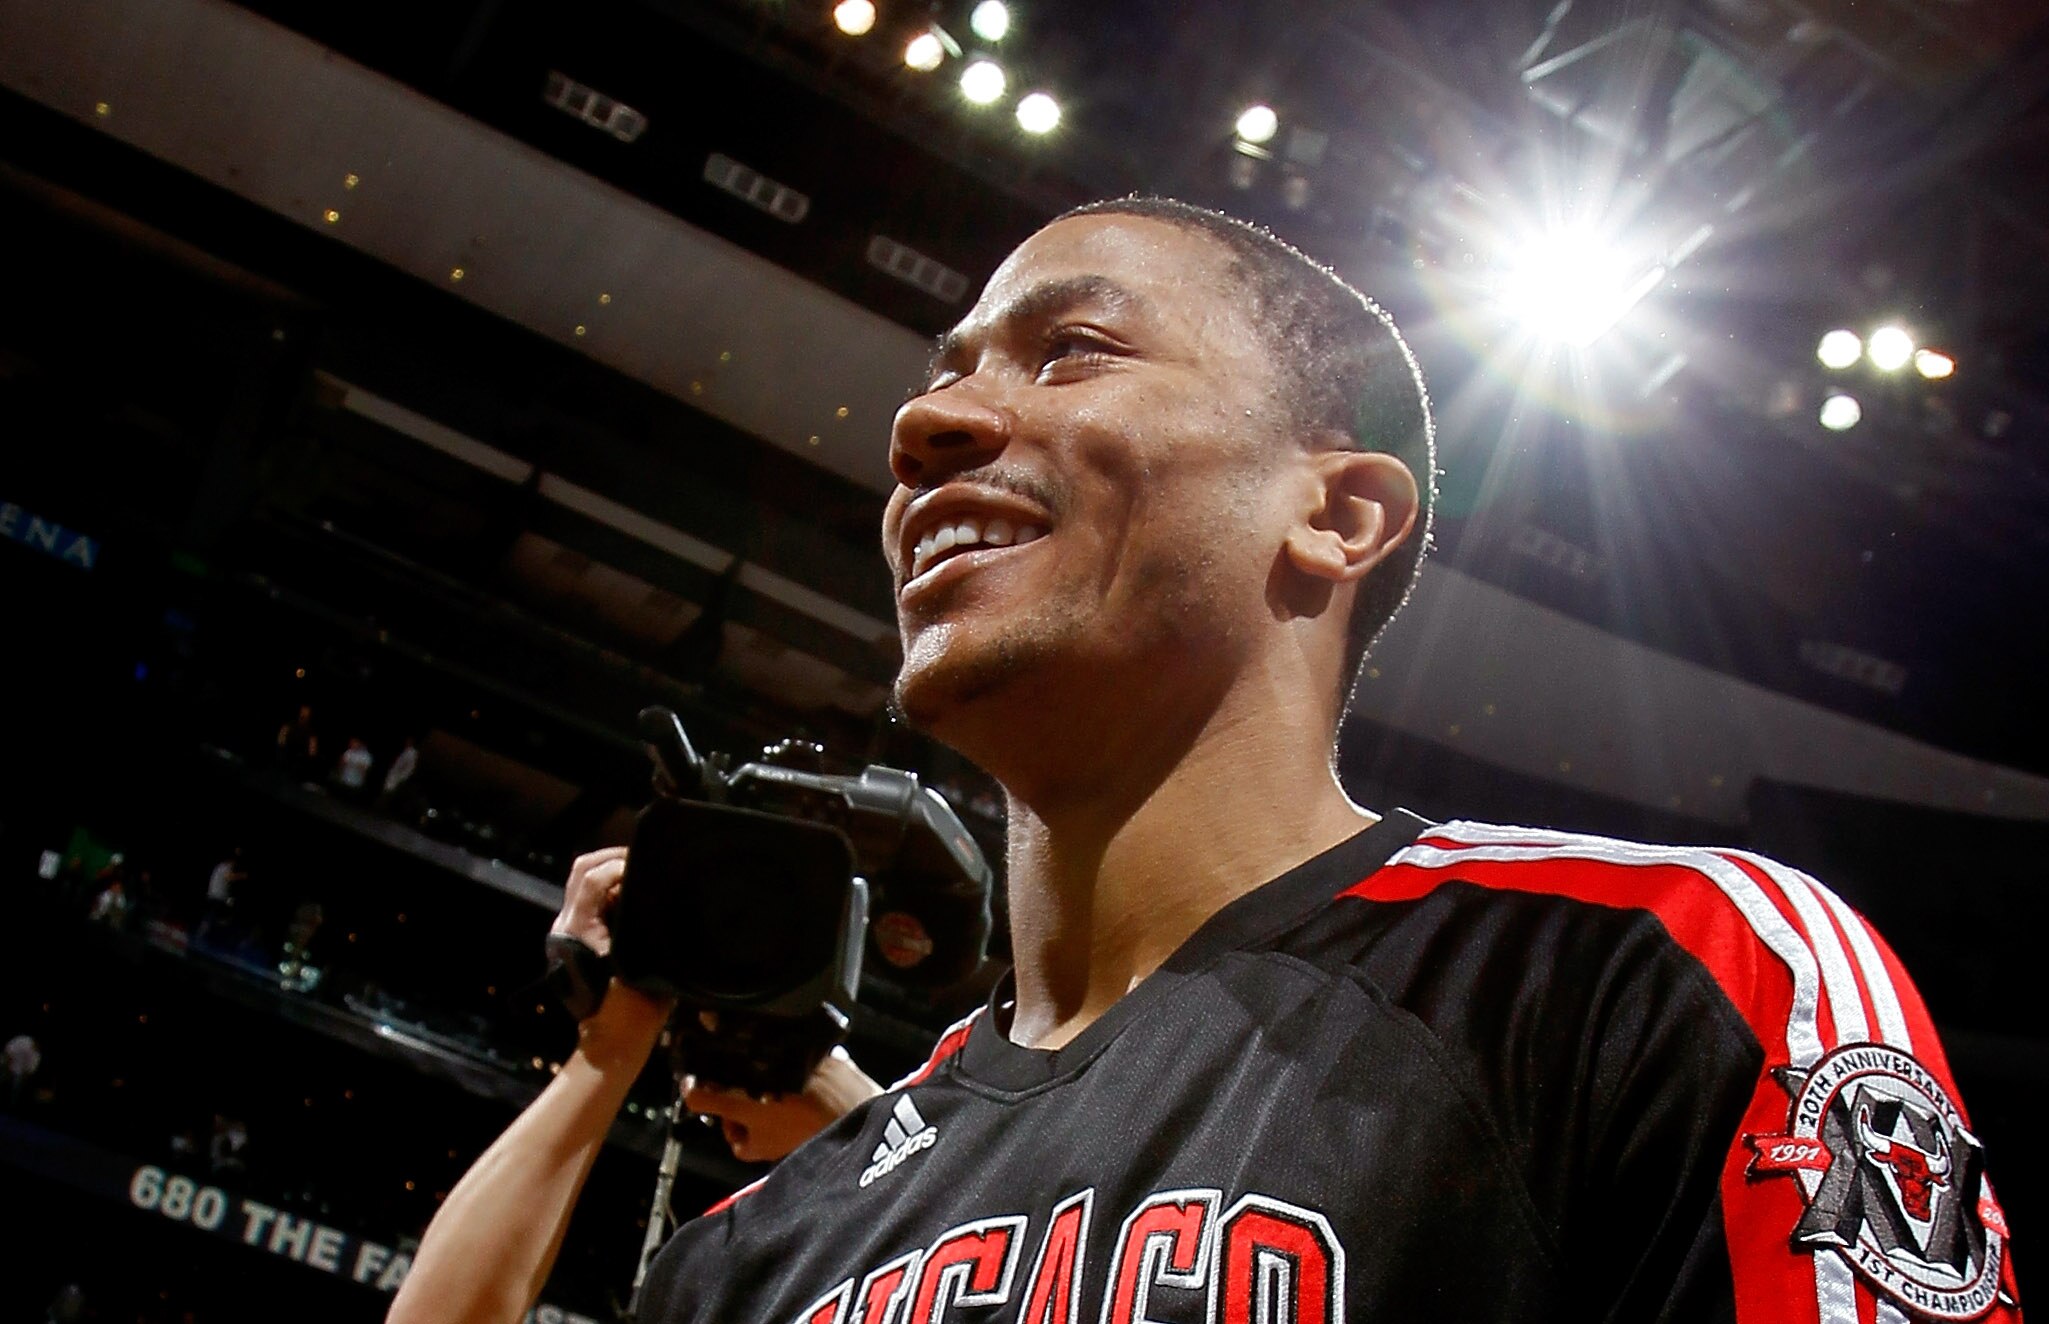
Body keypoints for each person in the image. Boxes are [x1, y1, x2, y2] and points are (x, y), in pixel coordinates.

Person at [390, 200, 2023, 1324]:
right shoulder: (752, 1261)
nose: (928, 426)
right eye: (943, 373)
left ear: (1336, 512)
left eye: (1071, 348)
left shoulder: (1660, 967)